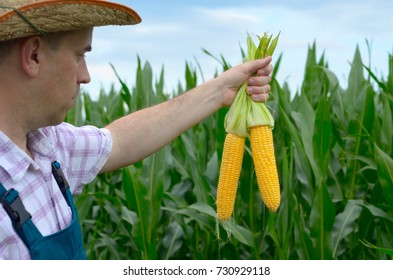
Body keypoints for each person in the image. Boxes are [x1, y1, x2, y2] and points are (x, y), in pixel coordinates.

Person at [0, 0, 273, 260]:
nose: (86, 75)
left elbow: (118, 141)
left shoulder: (48, 146)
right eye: (80, 55)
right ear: (33, 56)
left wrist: (221, 91)